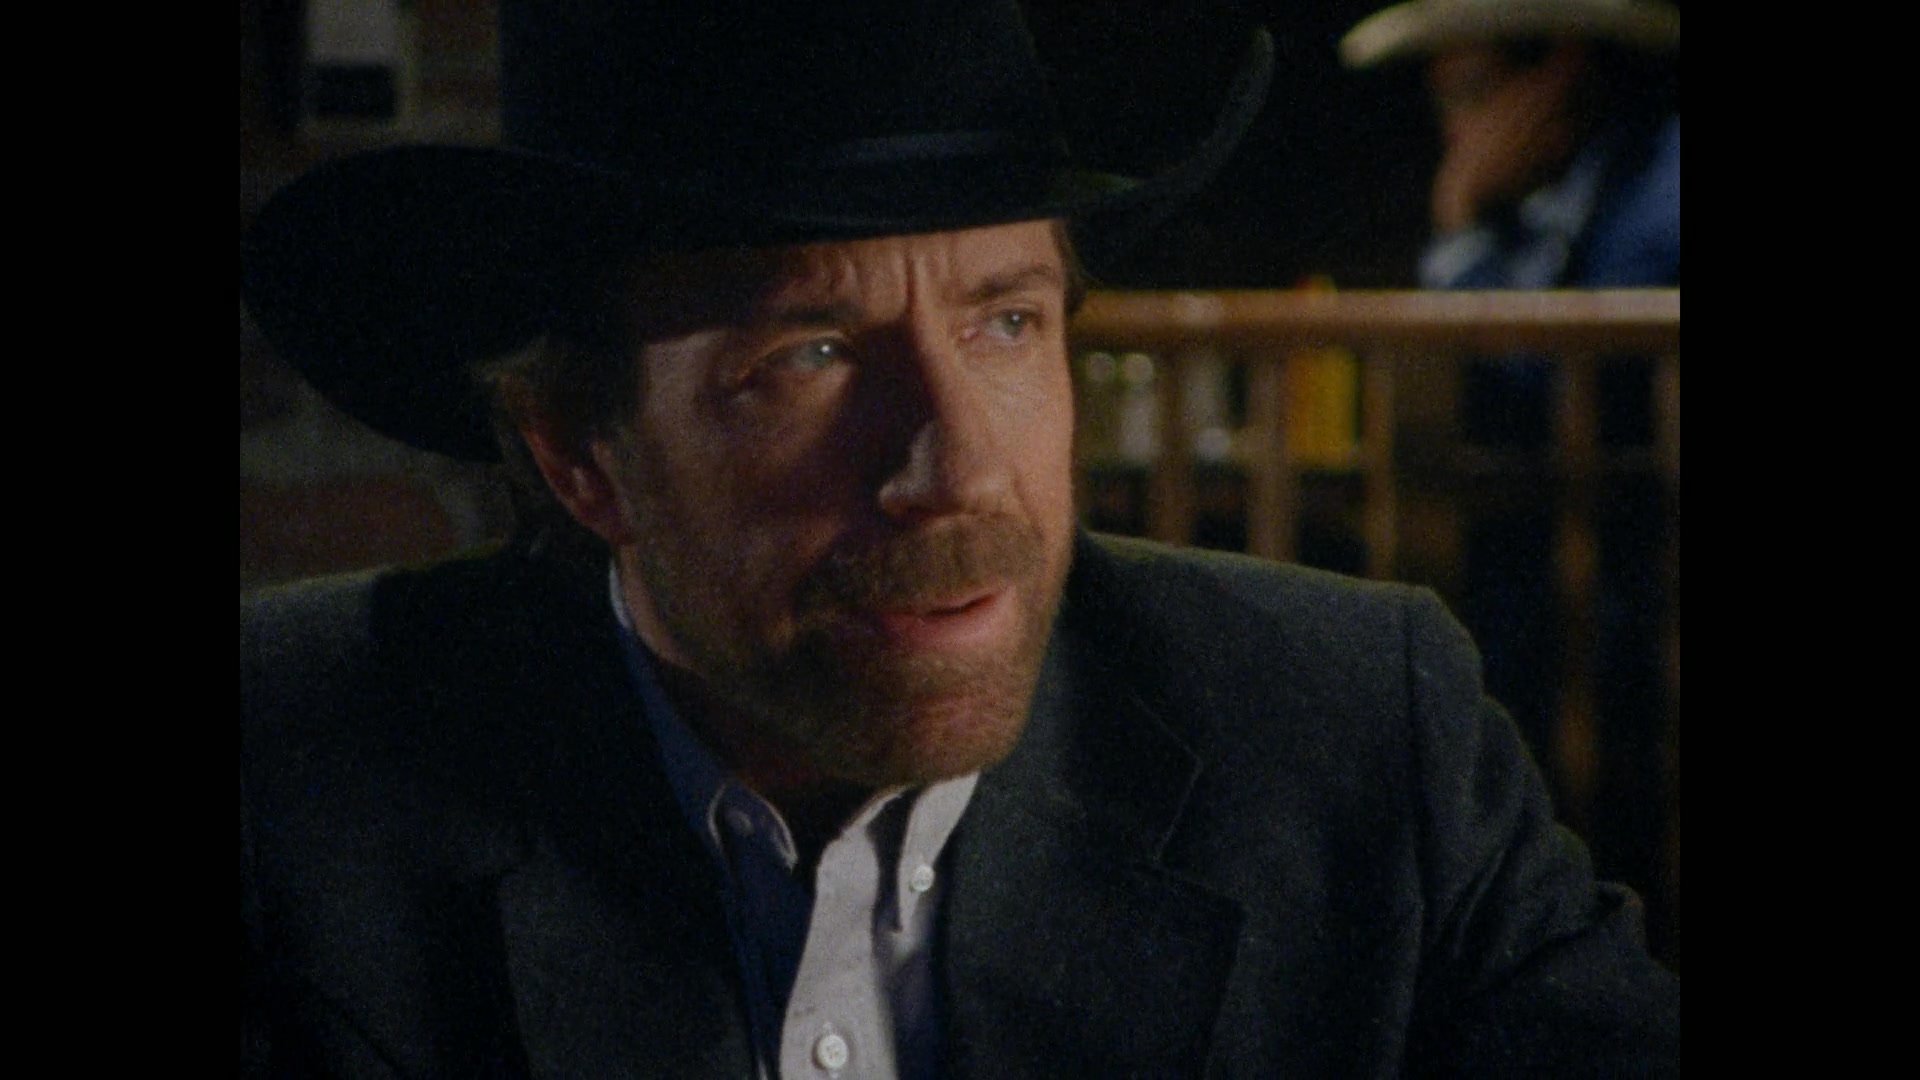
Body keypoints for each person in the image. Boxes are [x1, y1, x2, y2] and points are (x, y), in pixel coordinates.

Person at [241, 2, 1679, 1075]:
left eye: (1005, 322)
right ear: (580, 455)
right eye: (807, 354)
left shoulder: (1356, 738)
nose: (959, 468)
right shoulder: (291, 790)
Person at [1340, 0, 1680, 931]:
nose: (1456, 127)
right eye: (1443, 99)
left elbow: (1562, 389)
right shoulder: (1554, 195)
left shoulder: (1664, 188)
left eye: (1472, 92)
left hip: (1638, 588)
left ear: (1558, 75)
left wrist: (1459, 226)